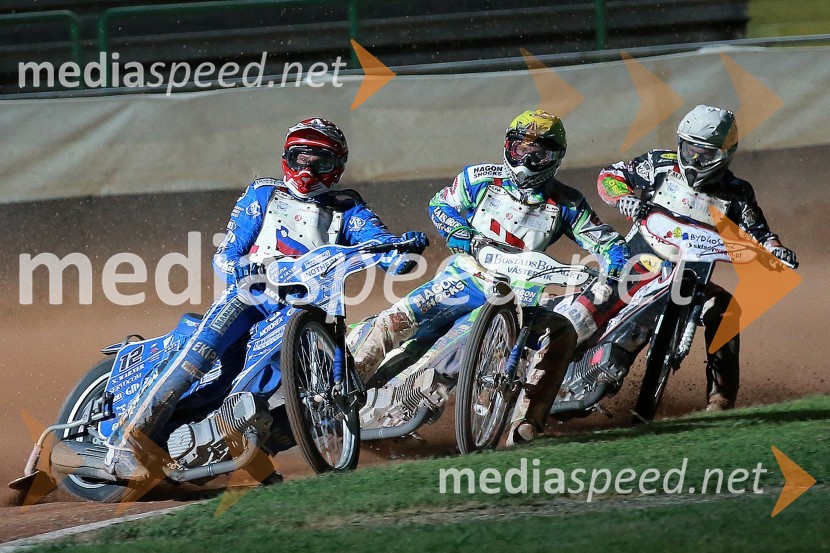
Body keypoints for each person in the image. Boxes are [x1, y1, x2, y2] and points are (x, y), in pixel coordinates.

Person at [103, 117, 428, 480]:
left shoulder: (347, 207)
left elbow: (382, 245)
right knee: (200, 356)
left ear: (336, 167)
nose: (307, 170)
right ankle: (124, 443)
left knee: (313, 388)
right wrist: (239, 268)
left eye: (318, 162)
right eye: (299, 158)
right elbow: (226, 253)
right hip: (251, 297)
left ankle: (248, 447)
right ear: (286, 158)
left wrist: (403, 252)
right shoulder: (263, 193)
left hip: (306, 310)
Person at [350, 109, 630, 444]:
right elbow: (440, 204)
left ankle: (527, 421)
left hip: (522, 295)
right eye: (519, 149)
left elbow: (606, 240)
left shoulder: (569, 203)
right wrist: (462, 234)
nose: (526, 159)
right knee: (394, 321)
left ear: (554, 158)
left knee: (563, 331)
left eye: (537, 152)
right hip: (468, 274)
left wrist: (613, 271)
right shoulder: (480, 178)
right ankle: (343, 391)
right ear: (507, 147)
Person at [597, 104, 797, 411]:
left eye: (706, 153)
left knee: (725, 310)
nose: (695, 159)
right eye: (690, 148)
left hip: (690, 280)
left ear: (726, 154)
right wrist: (622, 197)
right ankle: (556, 370)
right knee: (589, 311)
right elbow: (610, 175)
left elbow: (759, 232)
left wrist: (775, 249)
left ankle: (720, 400)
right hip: (634, 268)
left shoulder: (737, 192)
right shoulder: (658, 164)